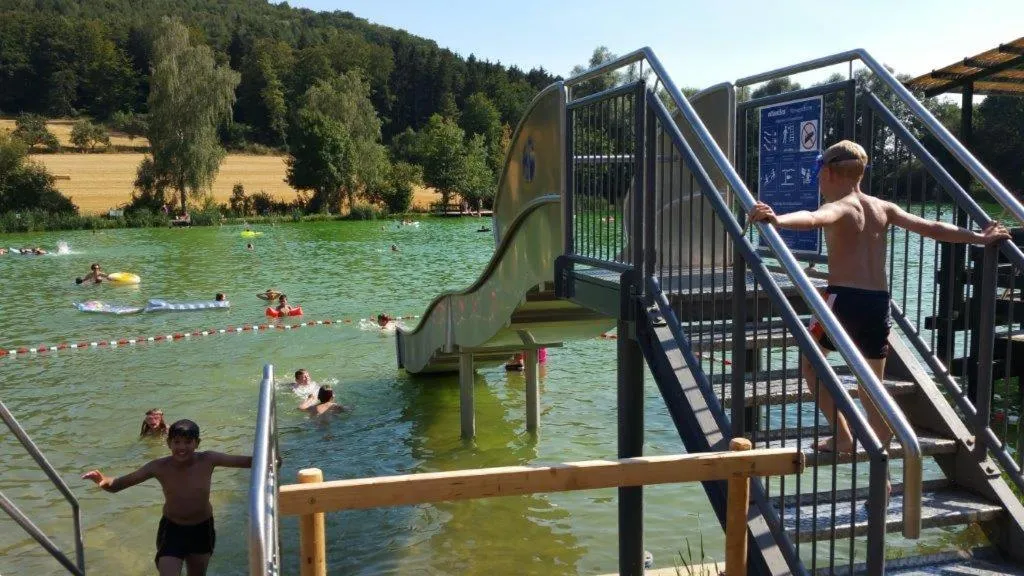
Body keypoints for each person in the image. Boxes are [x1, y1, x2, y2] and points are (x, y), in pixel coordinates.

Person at [748, 140, 1009, 463]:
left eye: (818, 173)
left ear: (828, 172)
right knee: (873, 385)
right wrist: (979, 238)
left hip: (842, 301)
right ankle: (881, 461)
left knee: (811, 367)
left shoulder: (842, 206)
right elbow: (932, 228)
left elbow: (814, 218)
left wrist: (776, 220)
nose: (818, 180)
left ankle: (843, 436)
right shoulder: (882, 207)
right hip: (878, 303)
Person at [81, 419, 251, 576]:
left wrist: (271, 459)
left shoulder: (208, 459)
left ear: (197, 443)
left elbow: (246, 461)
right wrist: (103, 481)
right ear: (169, 443)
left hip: (202, 529)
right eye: (176, 442)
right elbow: (120, 483)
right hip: (172, 530)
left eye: (187, 442)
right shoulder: (159, 467)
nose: (181, 447)